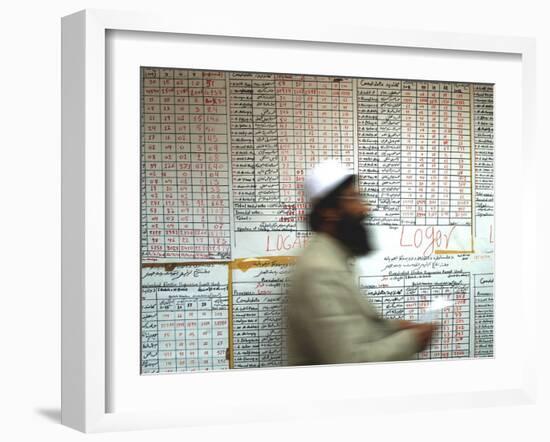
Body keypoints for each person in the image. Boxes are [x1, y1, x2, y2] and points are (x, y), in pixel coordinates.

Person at [286, 160, 436, 366]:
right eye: (354, 198)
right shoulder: (319, 270)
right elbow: (348, 360)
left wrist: (394, 328)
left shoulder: (334, 258)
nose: (365, 208)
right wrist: (412, 340)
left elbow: (351, 325)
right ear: (328, 211)